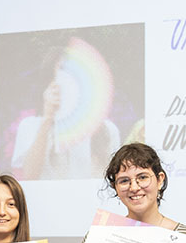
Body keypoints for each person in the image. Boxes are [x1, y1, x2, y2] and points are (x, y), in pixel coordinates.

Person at [10, 40, 121, 181]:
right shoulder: (30, 126)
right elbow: (29, 176)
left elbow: (112, 182)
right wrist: (48, 118)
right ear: (49, 84)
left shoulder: (108, 130)